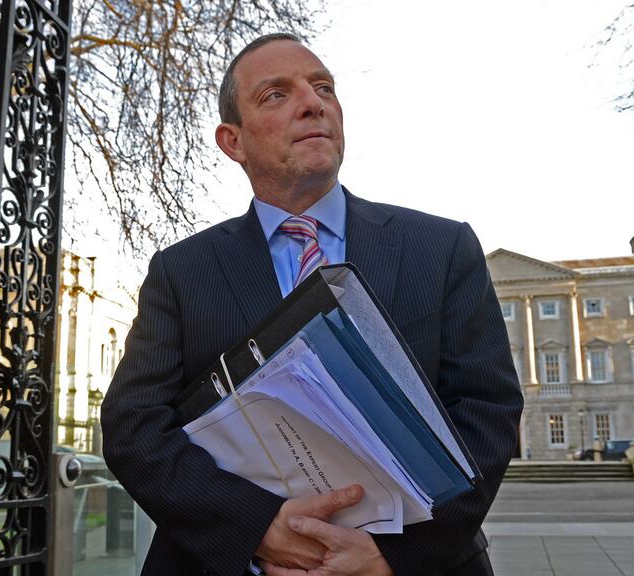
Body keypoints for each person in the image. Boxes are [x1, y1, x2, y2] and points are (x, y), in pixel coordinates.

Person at [101, 33, 523, 576]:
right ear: (233, 141)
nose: (312, 102)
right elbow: (134, 426)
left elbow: (487, 411)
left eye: (323, 87)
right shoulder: (183, 271)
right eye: (276, 94)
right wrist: (260, 529)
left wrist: (392, 554)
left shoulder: (440, 249)